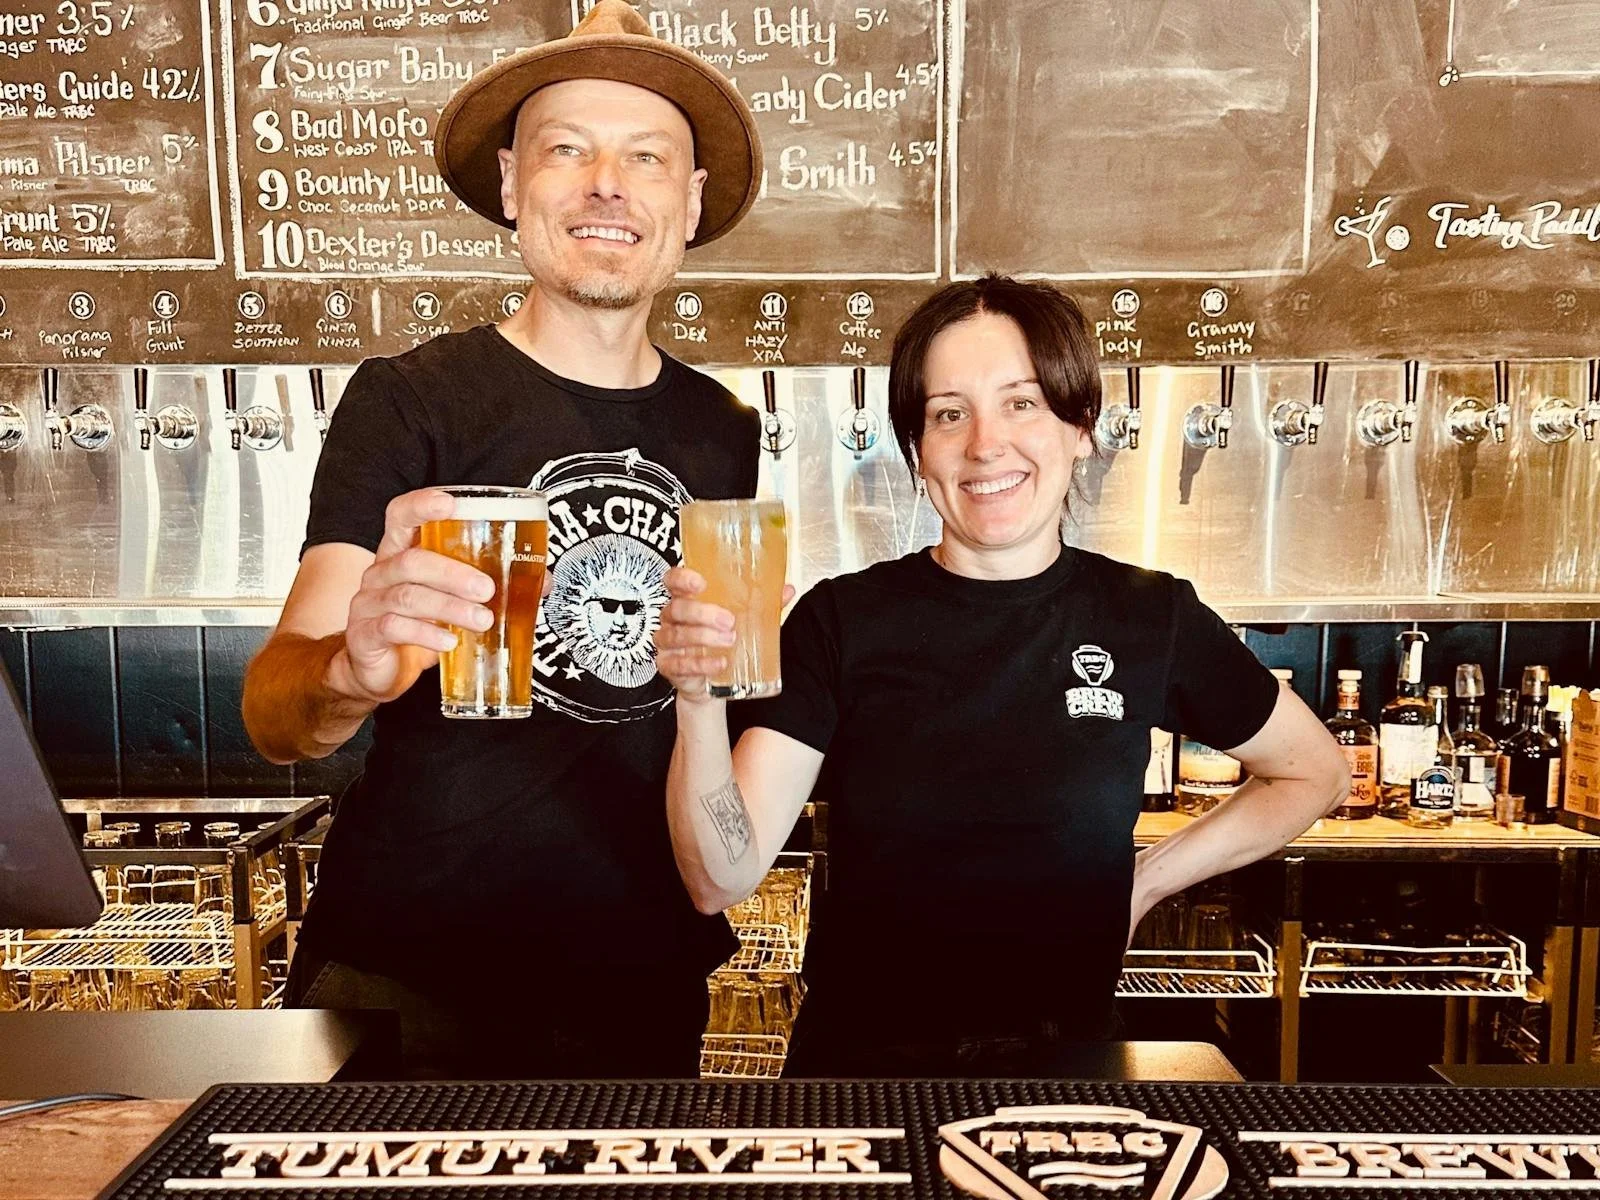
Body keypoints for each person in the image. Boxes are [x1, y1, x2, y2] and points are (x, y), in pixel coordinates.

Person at [241, 0, 763, 1077]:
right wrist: (353, 665)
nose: (606, 184)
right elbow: (277, 719)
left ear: (689, 200)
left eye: (646, 157)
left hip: (639, 981)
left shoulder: (722, 431)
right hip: (409, 972)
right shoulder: (409, 400)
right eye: (567, 150)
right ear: (513, 187)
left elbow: (709, 695)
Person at [655, 275, 1349, 1076]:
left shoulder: (1147, 616)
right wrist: (699, 702)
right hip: (865, 1076)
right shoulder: (841, 620)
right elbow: (720, 877)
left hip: (1069, 1068)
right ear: (917, 450)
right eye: (949, 414)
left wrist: (1149, 881)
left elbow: (1314, 771)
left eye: (1021, 403)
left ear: (1080, 426)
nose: (986, 444)